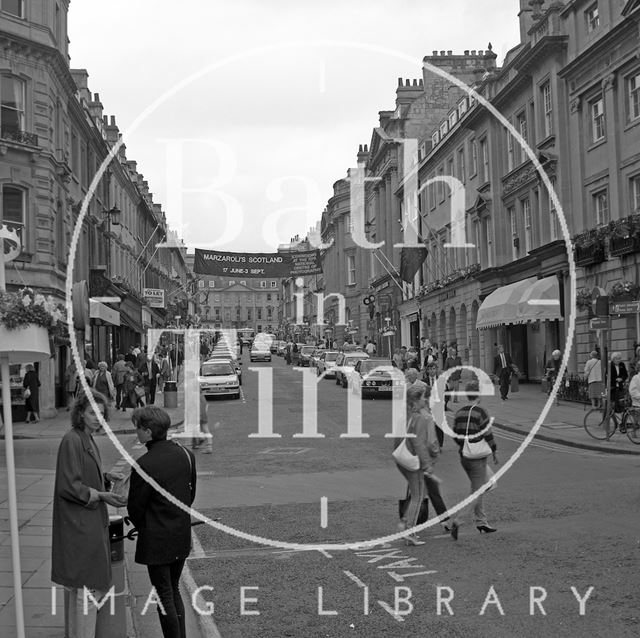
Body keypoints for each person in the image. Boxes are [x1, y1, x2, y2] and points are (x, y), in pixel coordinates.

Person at [51, 389, 126, 638]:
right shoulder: (73, 440)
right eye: (92, 412)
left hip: (85, 523)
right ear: (80, 413)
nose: (97, 418)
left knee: (81, 590)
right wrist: (102, 495)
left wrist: (105, 478)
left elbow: (81, 477)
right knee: (88, 590)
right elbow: (69, 486)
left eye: (101, 414)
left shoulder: (86, 438)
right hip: (80, 526)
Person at [128, 406, 197, 638]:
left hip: (157, 539)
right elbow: (191, 494)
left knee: (164, 594)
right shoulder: (186, 455)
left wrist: (145, 525)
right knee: (173, 590)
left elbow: (135, 508)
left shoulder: (144, 465)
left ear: (147, 432)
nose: (135, 432)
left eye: (137, 428)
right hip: (180, 534)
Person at [453, 380, 499, 535]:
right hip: (477, 458)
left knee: (477, 488)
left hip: (464, 455)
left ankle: (481, 522)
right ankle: (458, 519)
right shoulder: (481, 412)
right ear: (478, 394)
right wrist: (494, 450)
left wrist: (464, 444)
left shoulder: (459, 413)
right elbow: (488, 434)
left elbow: (456, 434)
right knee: (478, 491)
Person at [393, 384, 433, 546]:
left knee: (414, 494)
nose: (426, 400)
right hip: (413, 460)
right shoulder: (419, 417)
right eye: (424, 397)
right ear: (416, 400)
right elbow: (420, 444)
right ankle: (408, 529)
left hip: (402, 458)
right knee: (418, 496)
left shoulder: (406, 415)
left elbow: (397, 438)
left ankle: (405, 522)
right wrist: (427, 464)